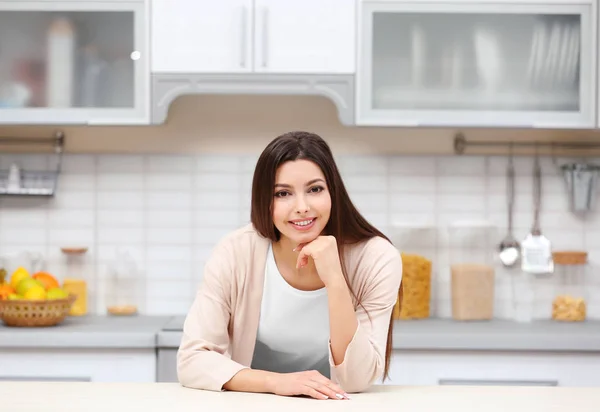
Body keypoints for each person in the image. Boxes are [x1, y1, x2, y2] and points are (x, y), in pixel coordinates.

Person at [177, 131, 403, 400]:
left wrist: (335, 279)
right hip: (255, 401)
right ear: (265, 200)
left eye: (315, 189)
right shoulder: (236, 252)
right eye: (283, 193)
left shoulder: (376, 258)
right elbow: (192, 360)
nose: (302, 207)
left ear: (333, 191)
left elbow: (356, 379)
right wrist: (277, 383)